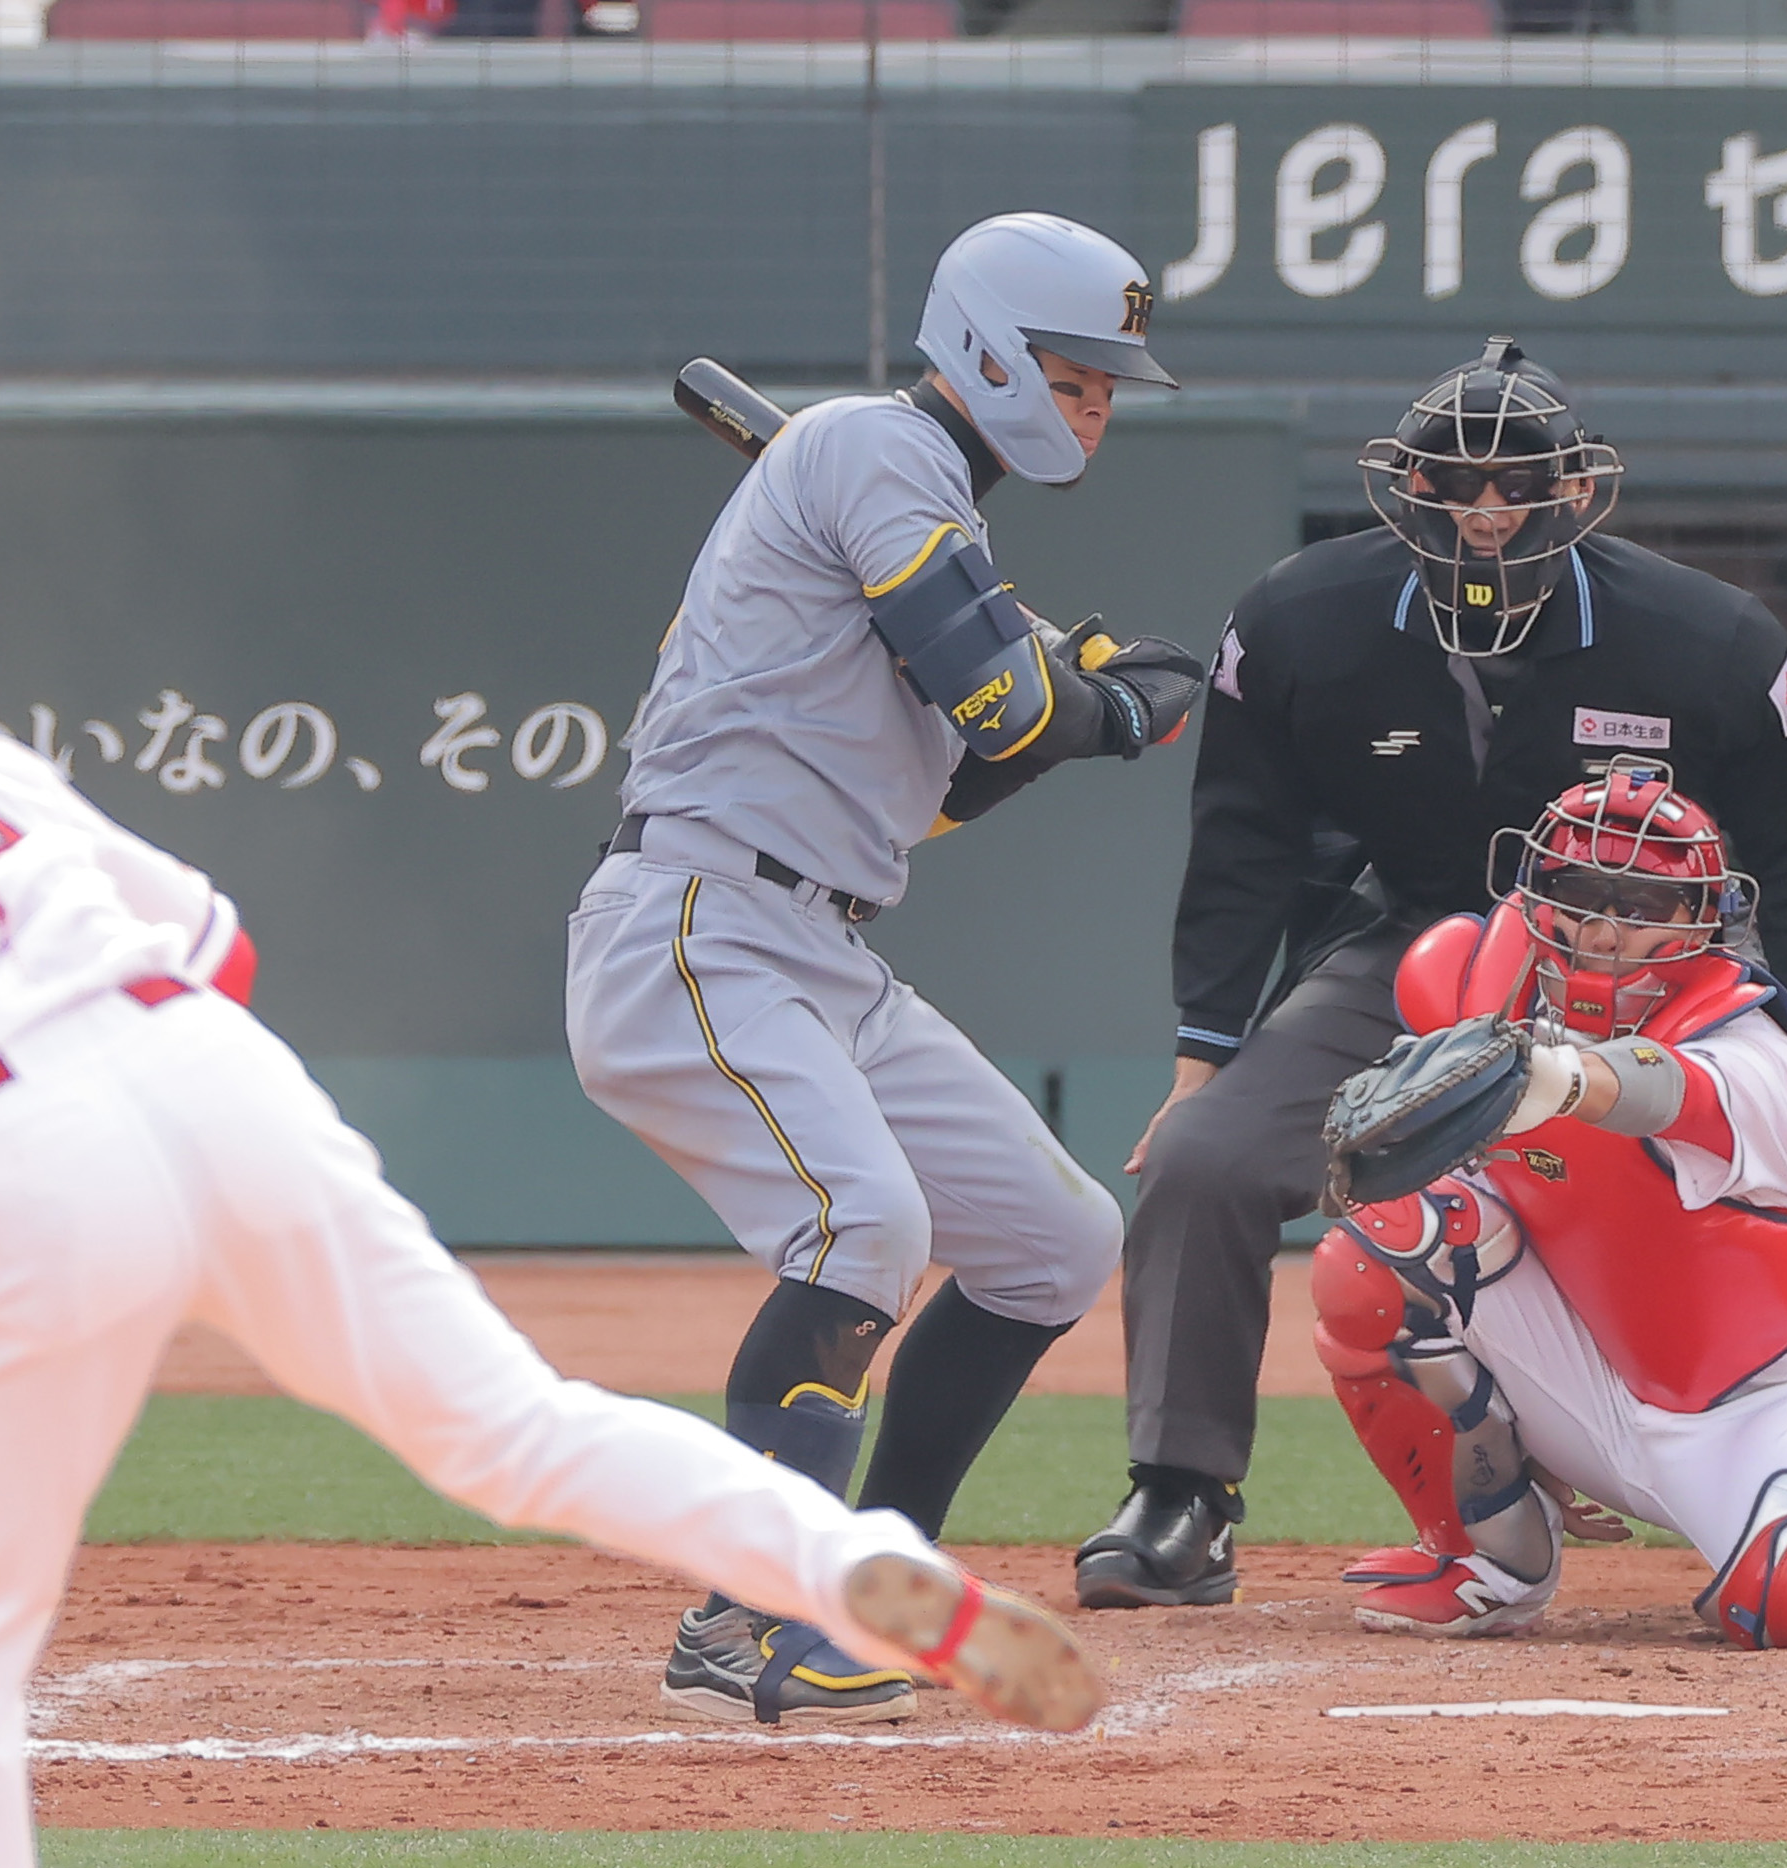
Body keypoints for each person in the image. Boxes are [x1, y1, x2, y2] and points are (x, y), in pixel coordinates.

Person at [0, 535, 1103, 1868]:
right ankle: (844, 1570)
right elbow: (217, 944)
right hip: (212, 1068)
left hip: (15, 1154)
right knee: (518, 1430)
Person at [1076, 335, 1787, 1611]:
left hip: (1656, 955)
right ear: (1403, 485)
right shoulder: (1298, 618)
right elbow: (1241, 846)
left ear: (1573, 487)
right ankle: (1180, 1493)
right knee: (1200, 1162)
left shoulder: (1709, 637)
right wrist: (1201, 1060)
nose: (1486, 508)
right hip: (1417, 945)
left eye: (1517, 479)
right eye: (1455, 480)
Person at [566, 212, 1205, 1724]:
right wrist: (1102, 707)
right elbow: (1008, 705)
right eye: (1070, 376)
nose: (1091, 410)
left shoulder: (912, 513)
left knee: (1053, 1240)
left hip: (821, 941)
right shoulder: (873, 448)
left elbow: (959, 779)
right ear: (982, 347)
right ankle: (750, 1618)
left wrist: (1073, 706)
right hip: (697, 919)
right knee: (864, 1223)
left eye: (1105, 389)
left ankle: (871, 1581)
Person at [1304, 767, 1787, 1648]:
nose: (1604, 927)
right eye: (1578, 891)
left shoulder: (1747, 1047)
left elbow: (1664, 1089)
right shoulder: (1473, 999)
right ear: (1533, 891)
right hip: (1602, 1380)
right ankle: (1491, 1560)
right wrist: (1505, 1428)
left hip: (1785, 1402)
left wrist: (1554, 1077)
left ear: (1700, 921)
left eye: (1643, 901)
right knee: (1380, 1248)